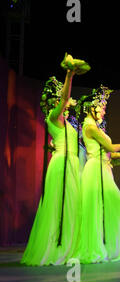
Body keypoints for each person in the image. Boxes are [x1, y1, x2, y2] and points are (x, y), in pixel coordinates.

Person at [21, 54, 90, 266]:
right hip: (61, 165)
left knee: (71, 205)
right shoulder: (53, 116)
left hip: (70, 164)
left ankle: (69, 244)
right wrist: (69, 75)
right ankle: (58, 246)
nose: (66, 103)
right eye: (62, 101)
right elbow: (63, 99)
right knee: (61, 205)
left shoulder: (67, 122)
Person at [72, 85, 120, 263]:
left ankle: (108, 247)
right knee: (107, 207)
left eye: (104, 108)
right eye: (101, 108)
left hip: (103, 169)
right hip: (96, 171)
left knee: (108, 208)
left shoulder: (96, 127)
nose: (103, 111)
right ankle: (99, 248)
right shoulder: (89, 127)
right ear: (91, 108)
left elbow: (110, 153)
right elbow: (110, 147)